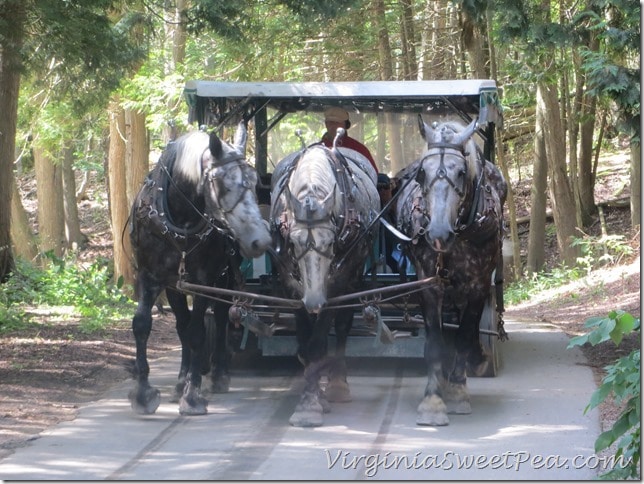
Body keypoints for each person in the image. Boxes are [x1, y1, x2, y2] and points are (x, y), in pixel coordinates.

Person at [321, 106, 378, 173]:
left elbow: (373, 176)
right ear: (326, 124)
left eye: (337, 123)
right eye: (330, 122)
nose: (333, 126)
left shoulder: (359, 149)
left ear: (346, 125)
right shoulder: (318, 149)